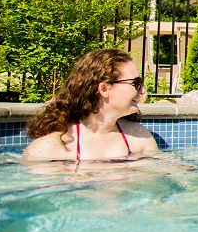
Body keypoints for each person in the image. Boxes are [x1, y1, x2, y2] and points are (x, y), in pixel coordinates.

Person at [24, 49, 159, 162]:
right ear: (104, 89)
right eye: (135, 83)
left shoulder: (139, 138)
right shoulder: (50, 148)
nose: (142, 91)